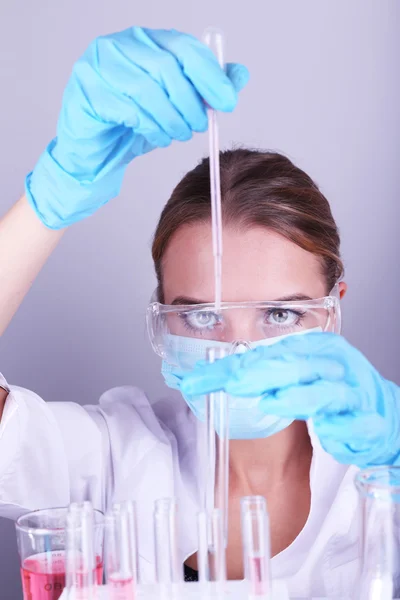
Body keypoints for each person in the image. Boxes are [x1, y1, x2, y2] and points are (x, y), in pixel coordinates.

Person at [0, 26, 399, 597]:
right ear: (161, 318)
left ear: (332, 312)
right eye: (203, 316)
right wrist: (49, 202)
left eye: (280, 315)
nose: (238, 350)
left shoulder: (382, 465)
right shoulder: (117, 458)